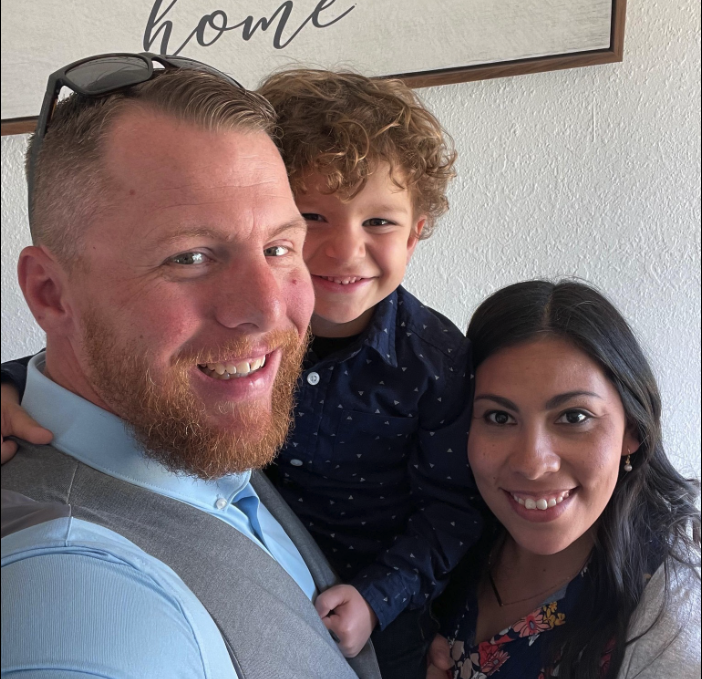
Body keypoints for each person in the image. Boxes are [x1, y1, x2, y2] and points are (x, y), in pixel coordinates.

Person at [2, 68, 483, 679]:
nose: (268, 310)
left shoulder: (197, 410)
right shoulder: (74, 589)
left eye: (278, 247)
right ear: (50, 293)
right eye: (190, 256)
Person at [426, 280, 701, 679]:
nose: (533, 464)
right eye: (499, 417)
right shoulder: (444, 529)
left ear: (632, 431)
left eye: (574, 417)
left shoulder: (671, 612)